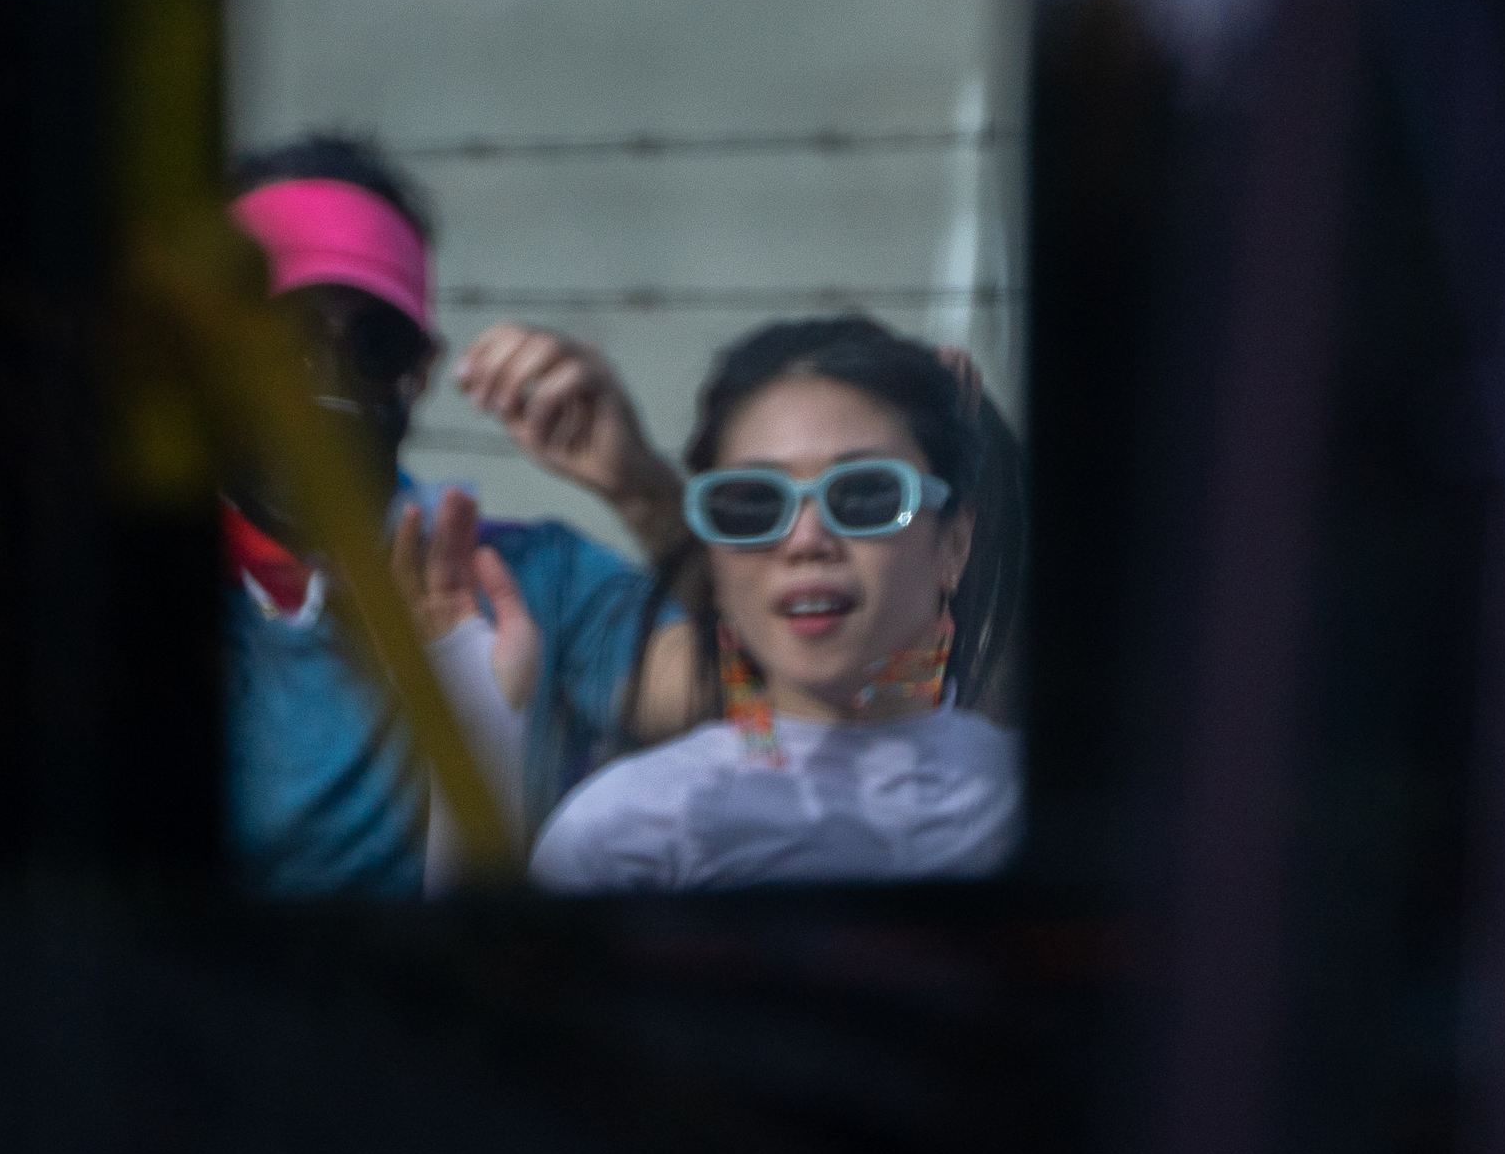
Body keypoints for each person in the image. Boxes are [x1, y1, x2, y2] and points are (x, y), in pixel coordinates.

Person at [222, 133, 694, 895]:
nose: (323, 377)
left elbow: (760, 698)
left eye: (374, 344)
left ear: (421, 370)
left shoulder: (520, 583)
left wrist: (642, 489)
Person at [530, 316, 1023, 891]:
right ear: (714, 556)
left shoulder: (1049, 808)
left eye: (866, 494)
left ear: (955, 543)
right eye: (753, 504)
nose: (806, 541)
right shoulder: (615, 833)